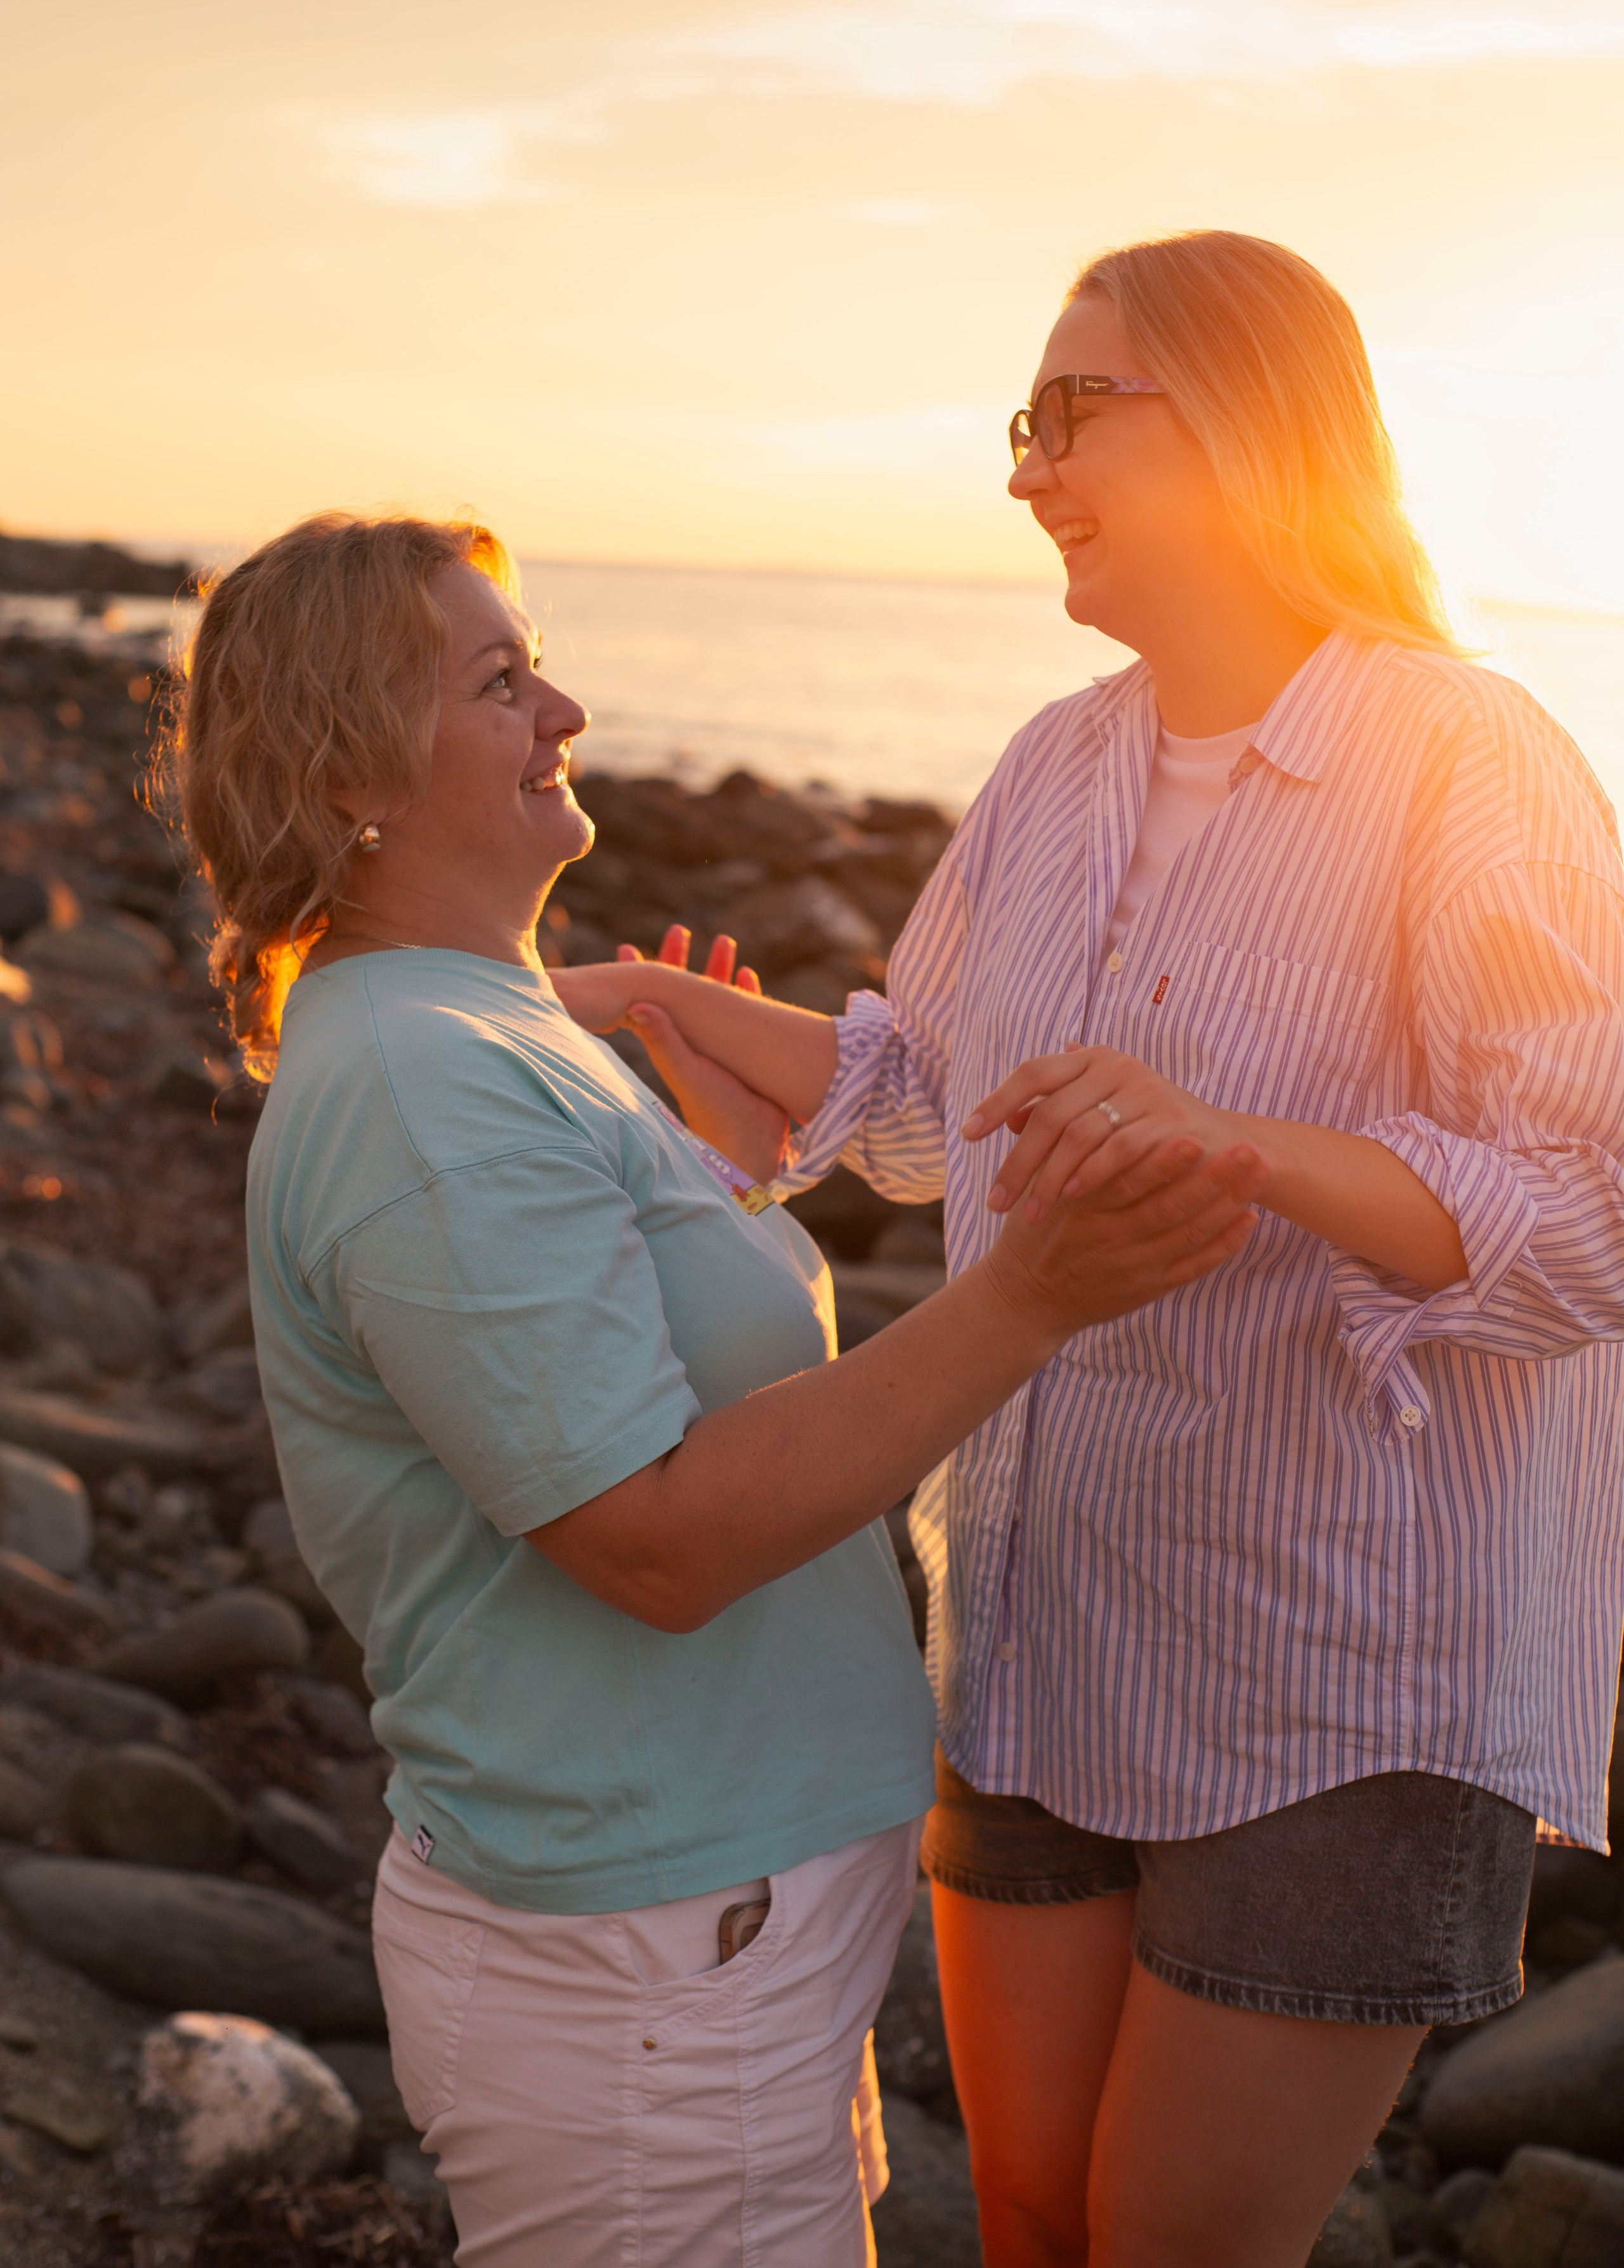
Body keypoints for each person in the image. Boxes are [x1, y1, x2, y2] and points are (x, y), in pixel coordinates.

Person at [556, 230, 1624, 2268]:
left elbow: (1592, 1210)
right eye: (1021, 426)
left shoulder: (1467, 756)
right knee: (1031, 2223)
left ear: (1250, 425)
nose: (1028, 468)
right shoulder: (1058, 761)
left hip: (1342, 1671)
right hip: (1041, 1623)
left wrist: (1252, 1148)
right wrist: (704, 1024)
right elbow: (930, 1093)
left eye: (1070, 415)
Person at [163, 508, 1262, 2268]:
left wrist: (720, 1185)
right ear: (348, 763)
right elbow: (654, 1538)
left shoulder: (494, 1030)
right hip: (650, 1958)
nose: (566, 708)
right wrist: (1038, 1291)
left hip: (703, 1927)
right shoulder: (426, 1085)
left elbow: (587, 1369)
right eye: (500, 679)